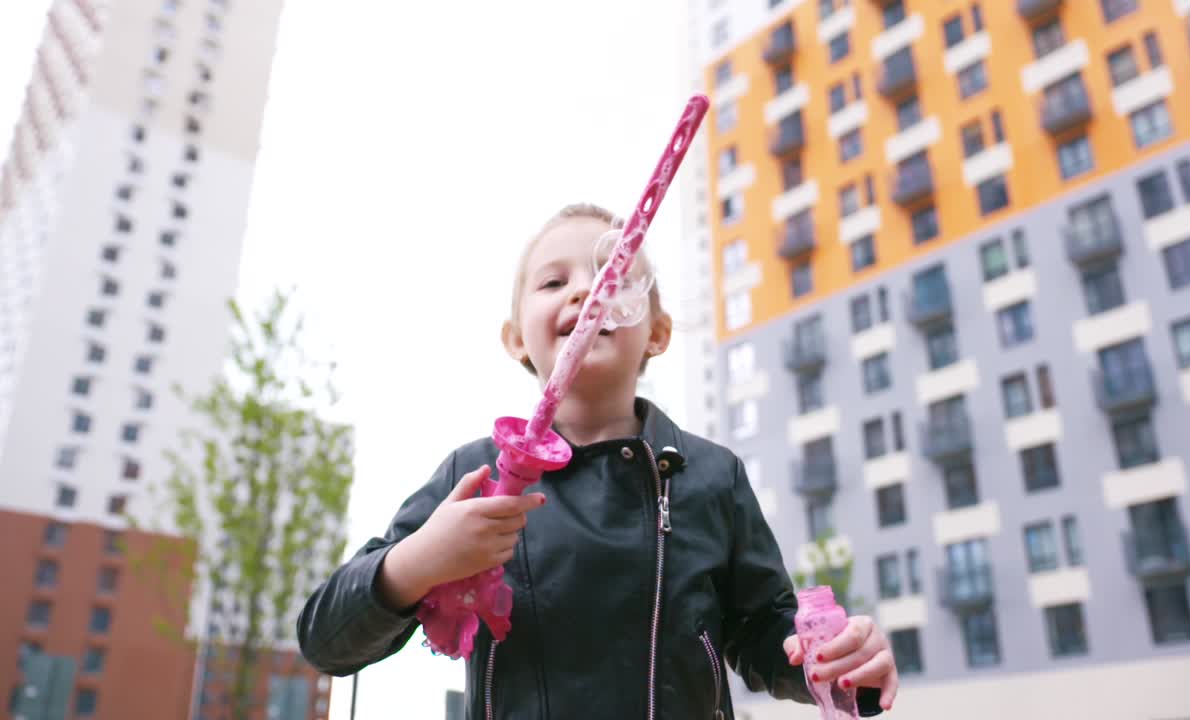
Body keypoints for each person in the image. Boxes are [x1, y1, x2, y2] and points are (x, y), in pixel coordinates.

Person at [297, 203, 899, 718]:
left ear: (657, 332)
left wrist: (837, 663)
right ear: (515, 338)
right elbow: (326, 639)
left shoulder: (712, 475)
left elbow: (768, 636)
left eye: (614, 274)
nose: (587, 291)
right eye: (554, 283)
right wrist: (416, 563)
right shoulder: (471, 477)